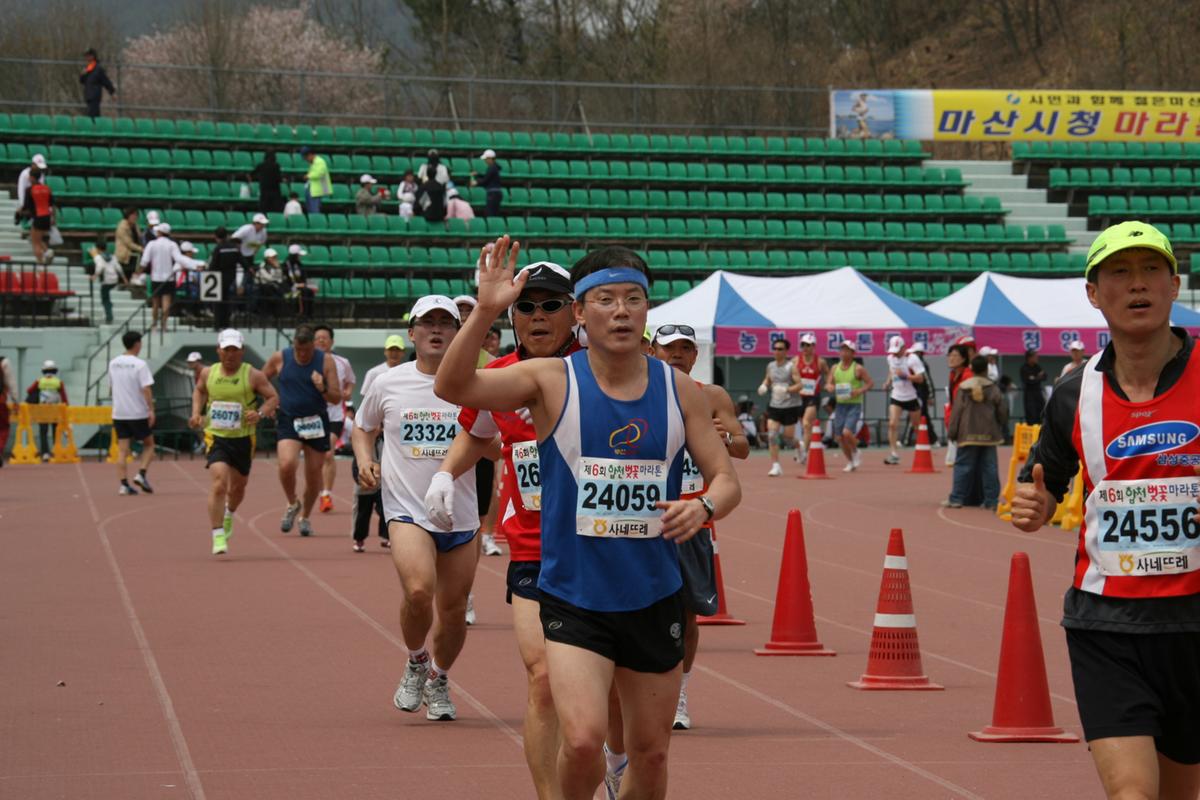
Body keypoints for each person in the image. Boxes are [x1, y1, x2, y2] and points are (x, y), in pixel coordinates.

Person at [434, 239, 742, 800]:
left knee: (649, 754)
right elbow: (453, 387)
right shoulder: (550, 380)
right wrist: (483, 311)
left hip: (653, 595)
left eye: (633, 299)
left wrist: (701, 507)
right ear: (581, 311)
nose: (620, 311)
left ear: (648, 310)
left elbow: (726, 481)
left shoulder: (681, 392)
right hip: (574, 596)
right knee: (581, 741)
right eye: (605, 300)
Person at [1010, 221, 1200, 800]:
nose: (1136, 285)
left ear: (1174, 286)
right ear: (1094, 293)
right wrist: (1034, 504)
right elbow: (1043, 483)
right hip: (1105, 624)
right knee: (1131, 793)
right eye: (1120, 272)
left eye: (1150, 271)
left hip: (1194, 623)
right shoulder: (1073, 393)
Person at [424, 262, 580, 794]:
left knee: (608, 698)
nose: (538, 316)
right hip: (534, 550)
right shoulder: (503, 376)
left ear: (575, 312)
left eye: (551, 305)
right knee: (542, 679)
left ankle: (618, 758)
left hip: (605, 548)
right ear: (513, 316)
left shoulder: (603, 369)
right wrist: (446, 472)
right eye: (527, 307)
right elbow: (475, 429)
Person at [353, 295, 479, 723]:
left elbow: (493, 439)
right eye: (428, 323)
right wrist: (364, 457)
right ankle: (415, 659)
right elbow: (362, 426)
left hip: (460, 513)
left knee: (454, 610)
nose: (437, 329)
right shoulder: (389, 382)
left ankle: (440, 678)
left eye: (447, 322)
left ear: (459, 332)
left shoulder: (475, 383)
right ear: (413, 332)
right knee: (419, 590)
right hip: (407, 508)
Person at [651, 323, 749, 733]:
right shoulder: (638, 393)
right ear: (652, 350)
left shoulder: (711, 396)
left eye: (685, 349)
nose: (677, 354)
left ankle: (680, 693)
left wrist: (727, 439)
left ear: (695, 355)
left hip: (692, 518)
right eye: (669, 347)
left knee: (688, 617)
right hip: (645, 517)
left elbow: (743, 447)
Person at [188, 329, 279, 555]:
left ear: (242, 351)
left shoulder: (253, 375)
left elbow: (273, 398)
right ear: (218, 350)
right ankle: (217, 534)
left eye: (235, 350)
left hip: (243, 438)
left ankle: (229, 514)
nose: (230, 355)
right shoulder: (209, 373)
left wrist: (259, 414)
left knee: (238, 487)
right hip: (216, 436)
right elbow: (199, 391)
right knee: (219, 482)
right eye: (226, 350)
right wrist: (196, 413)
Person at [262, 325, 343, 537]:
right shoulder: (281, 357)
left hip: (316, 421)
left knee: (314, 474)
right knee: (287, 463)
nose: (303, 354)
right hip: (289, 419)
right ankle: (292, 502)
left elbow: (336, 397)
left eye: (306, 350)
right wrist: (268, 403)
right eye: (299, 350)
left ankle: (305, 516)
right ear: (294, 345)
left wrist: (322, 387)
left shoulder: (325, 361)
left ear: (313, 346)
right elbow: (260, 380)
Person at [352, 335, 408, 554]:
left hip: (393, 437)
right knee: (365, 489)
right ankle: (359, 536)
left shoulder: (407, 374)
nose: (394, 354)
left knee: (391, 484)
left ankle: (388, 533)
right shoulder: (375, 374)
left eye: (397, 350)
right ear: (385, 351)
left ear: (402, 352)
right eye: (391, 350)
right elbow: (367, 407)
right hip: (374, 435)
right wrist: (374, 429)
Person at [944, 355, 1006, 509]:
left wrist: (952, 432)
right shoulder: (993, 388)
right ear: (986, 369)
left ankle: (957, 498)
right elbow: (1002, 411)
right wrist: (1001, 424)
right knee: (989, 468)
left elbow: (956, 412)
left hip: (967, 434)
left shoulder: (964, 387)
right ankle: (991, 500)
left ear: (971, 368)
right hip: (990, 434)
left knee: (963, 466)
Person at [313, 325, 355, 513]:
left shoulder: (342, 362)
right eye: (318, 338)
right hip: (312, 414)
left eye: (325, 338)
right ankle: (316, 490)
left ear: (331, 341)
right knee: (316, 457)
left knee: (328, 453)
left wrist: (346, 392)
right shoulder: (307, 361)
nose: (321, 341)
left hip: (335, 414)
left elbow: (350, 381)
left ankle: (326, 495)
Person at [107, 331, 155, 495]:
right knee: (149, 444)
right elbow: (146, 388)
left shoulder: (113, 363)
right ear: (137, 344)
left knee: (122, 450)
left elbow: (111, 387)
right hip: (137, 412)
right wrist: (150, 409)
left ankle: (123, 484)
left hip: (119, 412)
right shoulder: (140, 364)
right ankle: (141, 474)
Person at [826, 340, 874, 472]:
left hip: (854, 405)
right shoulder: (835, 368)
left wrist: (858, 391)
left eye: (847, 350)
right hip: (840, 405)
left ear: (853, 353)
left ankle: (856, 450)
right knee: (839, 437)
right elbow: (828, 383)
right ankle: (850, 461)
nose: (843, 353)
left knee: (847, 433)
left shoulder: (858, 369)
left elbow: (870, 383)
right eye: (842, 350)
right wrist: (829, 387)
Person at [758, 339, 802, 476]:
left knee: (788, 438)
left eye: (780, 349)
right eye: (775, 348)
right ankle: (776, 466)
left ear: (786, 351)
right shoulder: (770, 366)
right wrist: (764, 385)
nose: (777, 351)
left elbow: (800, 385)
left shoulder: (791, 367)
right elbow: (768, 378)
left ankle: (799, 446)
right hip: (775, 405)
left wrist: (787, 390)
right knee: (772, 434)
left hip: (790, 406)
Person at [883, 335, 926, 465]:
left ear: (903, 348)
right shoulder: (890, 358)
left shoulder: (912, 359)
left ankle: (922, 451)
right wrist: (887, 382)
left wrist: (906, 376)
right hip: (896, 395)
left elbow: (921, 378)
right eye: (893, 351)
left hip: (912, 396)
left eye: (897, 351)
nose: (895, 354)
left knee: (916, 426)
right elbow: (892, 371)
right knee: (892, 424)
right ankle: (894, 453)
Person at [793, 333, 829, 465]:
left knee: (807, 423)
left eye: (808, 345)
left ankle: (805, 452)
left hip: (812, 396)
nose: (805, 348)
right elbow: (789, 374)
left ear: (814, 346)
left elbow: (828, 374)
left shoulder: (820, 361)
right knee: (795, 426)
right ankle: (800, 446)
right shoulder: (796, 361)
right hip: (797, 397)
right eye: (803, 345)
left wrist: (828, 383)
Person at [26, 360, 67, 462]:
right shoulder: (59, 382)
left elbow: (29, 391)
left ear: (43, 371)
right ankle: (56, 451)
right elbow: (64, 398)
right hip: (55, 410)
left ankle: (45, 453)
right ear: (55, 371)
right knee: (55, 432)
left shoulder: (39, 381)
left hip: (42, 410)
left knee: (43, 432)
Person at [943, 343, 974, 467]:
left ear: (964, 358)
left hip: (965, 422)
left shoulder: (968, 375)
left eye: (955, 355)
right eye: (949, 355)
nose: (951, 358)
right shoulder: (952, 375)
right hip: (954, 419)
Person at [207, 227, 242, 330]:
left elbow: (213, 264)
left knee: (218, 302)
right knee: (227, 301)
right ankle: (226, 324)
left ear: (215, 237)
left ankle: (218, 325)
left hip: (218, 278)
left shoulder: (218, 248)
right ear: (227, 236)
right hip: (231, 277)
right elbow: (241, 260)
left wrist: (209, 273)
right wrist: (248, 269)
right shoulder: (234, 247)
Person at [89, 239, 128, 324]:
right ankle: (109, 305)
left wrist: (94, 276)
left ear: (97, 248)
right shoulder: (112, 256)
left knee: (105, 299)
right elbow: (118, 267)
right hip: (114, 279)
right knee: (106, 296)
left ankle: (109, 316)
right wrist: (124, 278)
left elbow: (99, 267)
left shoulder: (98, 257)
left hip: (106, 281)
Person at [22, 168, 54, 265]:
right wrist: (53, 218)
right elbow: (52, 205)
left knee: (35, 242)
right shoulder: (47, 188)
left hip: (38, 216)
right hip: (47, 217)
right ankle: (47, 252)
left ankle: (40, 263)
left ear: (31, 177)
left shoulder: (29, 190)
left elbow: (26, 207)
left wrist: (20, 212)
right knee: (38, 238)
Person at [79, 48, 116, 118]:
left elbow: (105, 81)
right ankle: (96, 127)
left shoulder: (98, 69)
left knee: (92, 115)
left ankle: (95, 127)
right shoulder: (87, 68)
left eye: (88, 56)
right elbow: (82, 81)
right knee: (94, 115)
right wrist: (82, 75)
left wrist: (112, 92)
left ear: (93, 56)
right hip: (88, 95)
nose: (86, 58)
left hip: (95, 95)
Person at [910, 340, 935, 441]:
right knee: (924, 416)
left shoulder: (922, 365)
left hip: (921, 394)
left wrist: (930, 396)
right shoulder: (914, 364)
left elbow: (928, 381)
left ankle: (906, 440)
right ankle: (933, 439)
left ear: (919, 353)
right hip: (916, 393)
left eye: (915, 353)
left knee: (915, 415)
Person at [284, 244, 315, 320]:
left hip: (301, 286)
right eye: (298, 255)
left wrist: (306, 284)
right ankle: (302, 314)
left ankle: (309, 314)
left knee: (310, 291)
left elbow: (304, 277)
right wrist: (296, 285)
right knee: (304, 292)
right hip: (289, 287)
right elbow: (287, 279)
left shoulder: (299, 264)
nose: (300, 257)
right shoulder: (286, 265)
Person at [470, 149, 503, 217]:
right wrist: (478, 175)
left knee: (491, 213)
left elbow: (485, 180)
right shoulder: (494, 168)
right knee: (494, 212)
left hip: (493, 194)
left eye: (486, 159)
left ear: (490, 159)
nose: (485, 161)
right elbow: (488, 177)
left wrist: (476, 183)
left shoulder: (492, 168)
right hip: (496, 193)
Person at [300, 147, 332, 214]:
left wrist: (308, 176)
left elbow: (320, 173)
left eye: (306, 158)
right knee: (310, 209)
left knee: (314, 210)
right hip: (311, 188)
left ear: (310, 155)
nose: (306, 160)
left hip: (316, 191)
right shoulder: (313, 162)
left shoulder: (320, 161)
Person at [114, 208, 143, 280]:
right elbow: (128, 243)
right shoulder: (122, 226)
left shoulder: (135, 225)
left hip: (135, 250)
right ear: (128, 215)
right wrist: (141, 249)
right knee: (140, 255)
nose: (135, 217)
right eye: (133, 215)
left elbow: (140, 237)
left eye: (136, 215)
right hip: (125, 252)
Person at [1020, 348, 1047, 423]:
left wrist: (1035, 378)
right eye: (1035, 356)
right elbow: (1028, 381)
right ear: (1029, 357)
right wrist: (1038, 377)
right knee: (1031, 415)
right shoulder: (1024, 368)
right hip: (1029, 395)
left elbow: (1045, 376)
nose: (1037, 358)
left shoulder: (1037, 367)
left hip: (1038, 394)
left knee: (1041, 413)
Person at [0, 354, 16, 466]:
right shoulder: (4, 362)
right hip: (0, 401)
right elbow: (11, 383)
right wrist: (16, 400)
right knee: (4, 428)